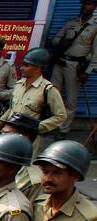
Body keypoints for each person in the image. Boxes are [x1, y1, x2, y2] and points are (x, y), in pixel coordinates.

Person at [0, 49, 68, 138]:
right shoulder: (18, 85)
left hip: (28, 139)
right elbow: (11, 110)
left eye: (26, 66)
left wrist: (35, 128)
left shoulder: (47, 90)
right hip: (8, 136)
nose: (21, 68)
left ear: (37, 68)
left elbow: (60, 116)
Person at [51, 0, 97, 134]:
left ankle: (63, 130)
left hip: (75, 66)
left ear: (94, 7)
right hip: (60, 62)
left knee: (70, 101)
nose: (85, 6)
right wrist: (61, 42)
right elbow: (54, 40)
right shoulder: (71, 23)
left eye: (88, 4)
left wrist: (87, 73)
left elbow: (95, 55)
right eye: (83, 3)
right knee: (53, 96)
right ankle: (51, 125)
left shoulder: (95, 28)